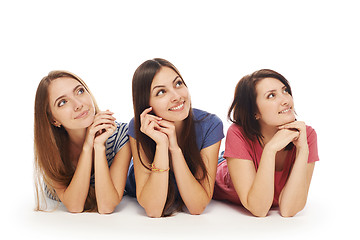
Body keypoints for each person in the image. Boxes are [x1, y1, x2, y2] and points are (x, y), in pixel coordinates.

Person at [213, 69, 319, 217]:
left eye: (285, 91)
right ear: (254, 112)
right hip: (217, 171)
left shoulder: (306, 135)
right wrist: (270, 150)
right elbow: (259, 209)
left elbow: (289, 210)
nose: (286, 100)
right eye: (271, 95)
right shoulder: (238, 133)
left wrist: (303, 151)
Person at [126, 58, 224, 217]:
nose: (176, 96)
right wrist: (161, 145)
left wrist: (174, 148)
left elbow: (197, 207)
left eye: (178, 84)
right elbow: (153, 210)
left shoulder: (210, 125)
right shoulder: (138, 127)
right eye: (161, 92)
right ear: (146, 104)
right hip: (142, 182)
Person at [34, 70, 131, 214]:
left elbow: (106, 206)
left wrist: (98, 147)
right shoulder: (51, 148)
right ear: (53, 120)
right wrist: (87, 146)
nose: (78, 104)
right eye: (62, 102)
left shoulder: (120, 134)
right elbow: (75, 206)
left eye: (80, 91)